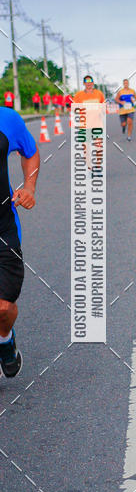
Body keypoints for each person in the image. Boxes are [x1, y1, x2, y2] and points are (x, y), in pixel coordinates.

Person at [0, 108, 40, 378]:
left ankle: (5, 339)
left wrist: (29, 187)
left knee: (3, 307)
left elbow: (31, 152)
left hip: (3, 228)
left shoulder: (7, 119)